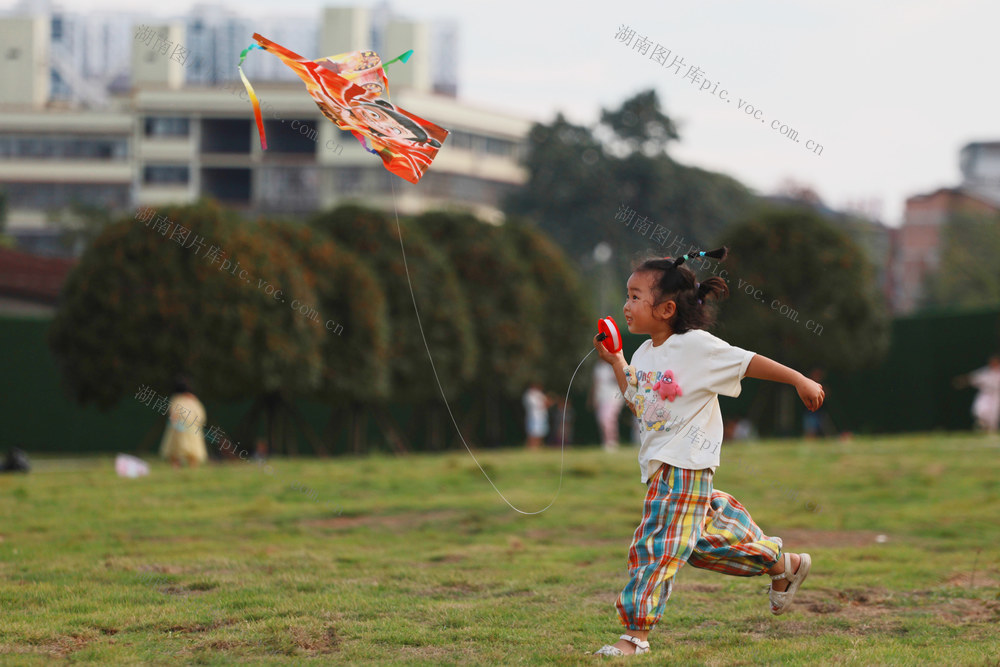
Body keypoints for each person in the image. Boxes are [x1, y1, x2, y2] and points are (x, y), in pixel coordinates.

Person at [591, 249, 825, 657]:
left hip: (684, 467)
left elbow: (748, 362)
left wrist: (798, 379)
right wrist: (616, 361)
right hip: (662, 470)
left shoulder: (697, 347)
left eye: (634, 296)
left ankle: (634, 636)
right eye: (627, 296)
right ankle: (780, 564)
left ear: (665, 308)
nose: (625, 306)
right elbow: (639, 402)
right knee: (695, 546)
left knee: (656, 548)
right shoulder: (645, 353)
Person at [159, 376, 208, 468]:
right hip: (193, 427)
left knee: (175, 449)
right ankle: (193, 467)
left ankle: (176, 467)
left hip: (179, 426)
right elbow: (201, 414)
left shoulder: (176, 399)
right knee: (193, 449)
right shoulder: (193, 400)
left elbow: (173, 414)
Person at [954, 354, 1000, 433]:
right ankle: (982, 426)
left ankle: (990, 432)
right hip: (985, 394)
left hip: (996, 396)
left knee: (993, 418)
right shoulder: (986, 372)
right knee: (979, 411)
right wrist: (961, 382)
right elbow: (973, 378)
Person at [591, 361, 625, 451]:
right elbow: (596, 384)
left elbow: (620, 378)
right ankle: (608, 442)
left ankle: (612, 442)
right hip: (602, 398)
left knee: (608, 420)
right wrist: (594, 398)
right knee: (603, 421)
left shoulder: (613, 365)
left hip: (613, 397)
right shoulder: (597, 368)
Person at [522, 382, 552, 450]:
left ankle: (538, 446)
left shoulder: (539, 394)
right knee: (533, 432)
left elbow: (547, 403)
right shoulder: (529, 395)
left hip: (542, 416)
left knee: (541, 432)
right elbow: (541, 404)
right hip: (534, 416)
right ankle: (531, 446)